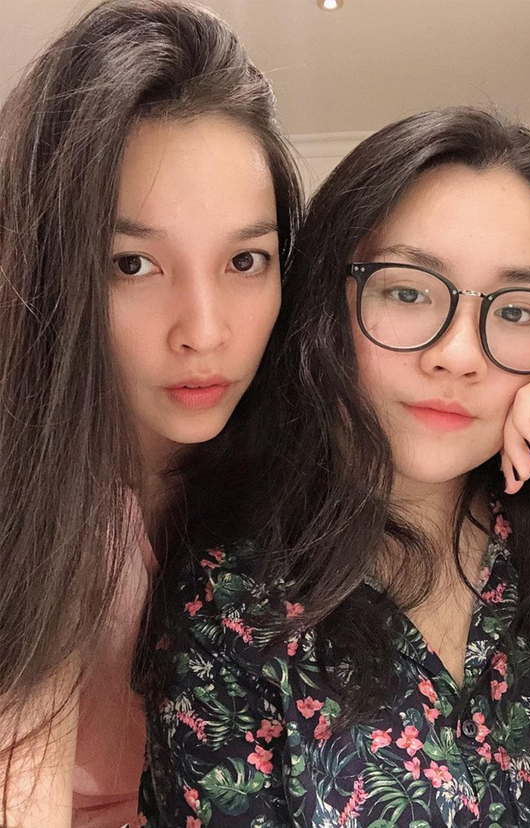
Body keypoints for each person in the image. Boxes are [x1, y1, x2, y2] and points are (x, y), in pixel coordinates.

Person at [140, 107, 530, 828]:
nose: (459, 355)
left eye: (516, 311)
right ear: (326, 306)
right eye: (408, 292)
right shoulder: (227, 603)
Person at [0, 1, 301, 825]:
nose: (203, 331)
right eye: (132, 264)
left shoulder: (316, 488)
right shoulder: (37, 509)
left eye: (246, 260)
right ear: (53, 273)